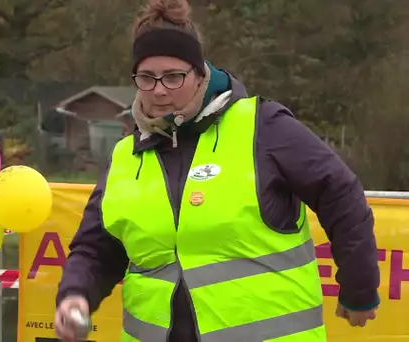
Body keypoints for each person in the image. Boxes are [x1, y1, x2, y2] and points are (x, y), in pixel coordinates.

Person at [54, 0, 380, 341]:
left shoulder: (263, 126)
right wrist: (75, 295)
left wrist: (359, 286)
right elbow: (96, 249)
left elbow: (341, 194)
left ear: (200, 74)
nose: (160, 89)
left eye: (173, 76)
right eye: (146, 78)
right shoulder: (125, 156)